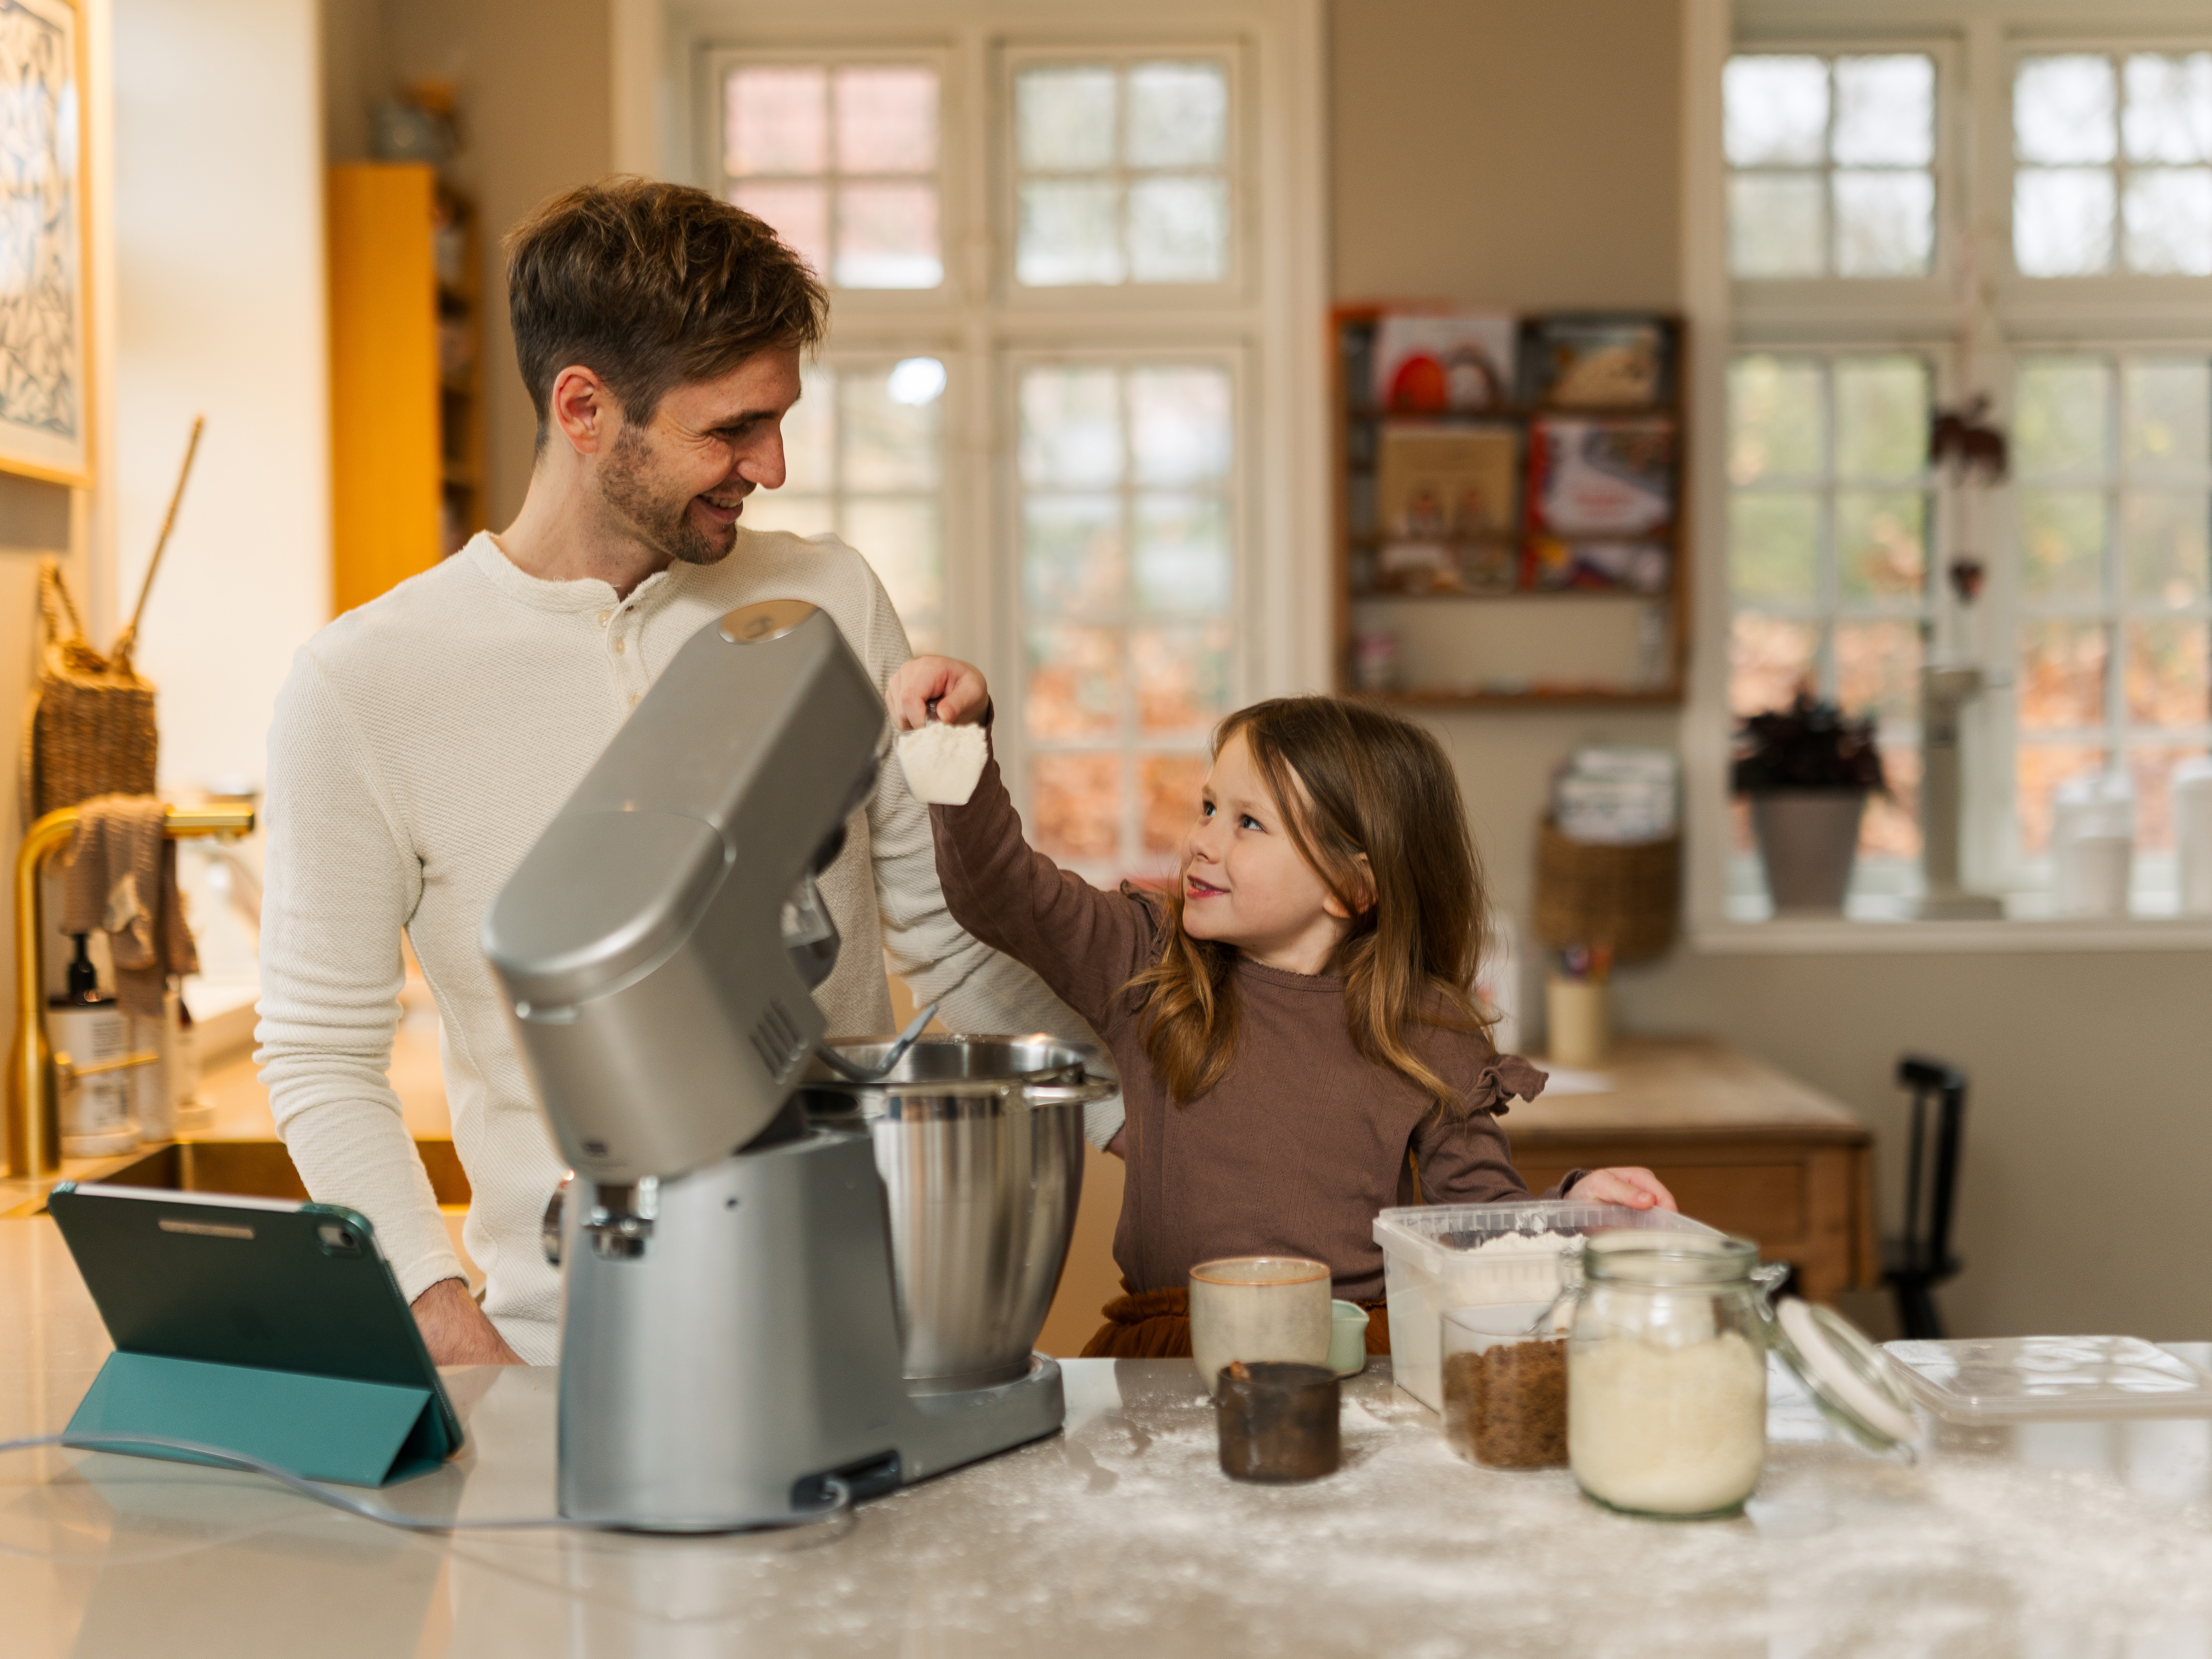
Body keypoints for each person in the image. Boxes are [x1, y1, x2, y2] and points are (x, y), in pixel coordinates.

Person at [257, 179, 1110, 1366]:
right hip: (567, 1350)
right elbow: (318, 1054)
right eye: (732, 429)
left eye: (778, 420)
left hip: (858, 1312)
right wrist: (445, 1326)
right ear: (586, 407)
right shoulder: (364, 683)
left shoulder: (827, 598)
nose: (771, 465)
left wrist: (1169, 1109)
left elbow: (951, 935)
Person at [885, 657, 1675, 1357]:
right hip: (1171, 1351)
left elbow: (1480, 1221)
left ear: (1350, 886)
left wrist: (1570, 1209)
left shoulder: (1429, 1027)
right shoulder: (1148, 962)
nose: (1202, 841)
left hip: (1354, 1353)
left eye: (1248, 823)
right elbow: (999, 888)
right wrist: (961, 737)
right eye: (1207, 807)